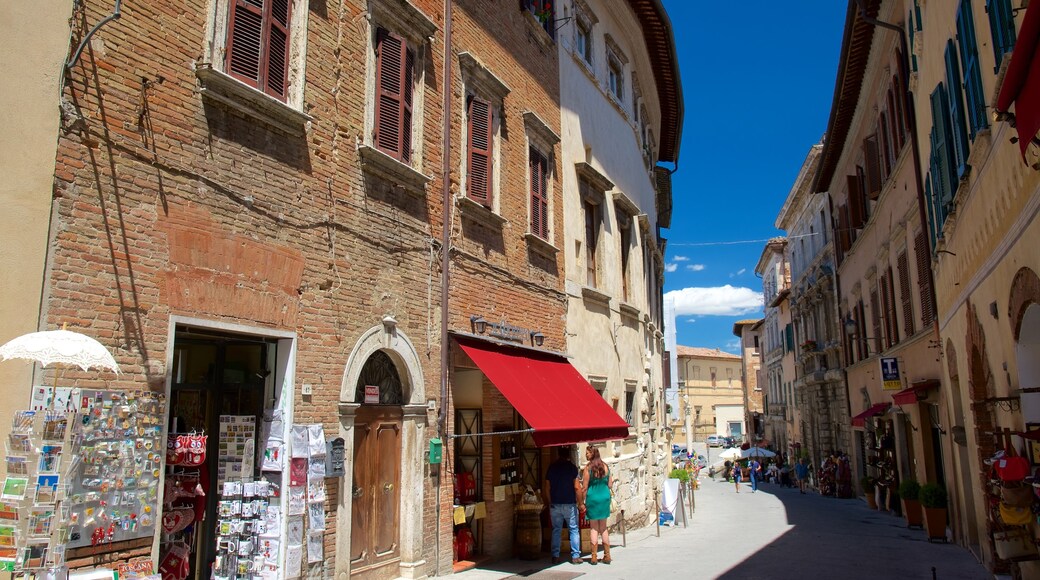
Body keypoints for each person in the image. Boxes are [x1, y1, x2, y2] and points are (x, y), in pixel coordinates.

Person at [544, 446, 581, 565]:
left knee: (556, 530)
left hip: (555, 503)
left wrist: (550, 502)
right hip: (569, 503)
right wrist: (580, 502)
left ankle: (555, 555)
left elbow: (547, 487)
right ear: (568, 455)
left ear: (558, 454)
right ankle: (575, 556)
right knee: (573, 529)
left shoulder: (552, 467)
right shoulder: (572, 468)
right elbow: (576, 487)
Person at [580, 447, 614, 565]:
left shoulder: (588, 469)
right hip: (604, 498)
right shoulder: (605, 466)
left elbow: (584, 487)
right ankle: (607, 555)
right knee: (603, 527)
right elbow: (610, 484)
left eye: (588, 453)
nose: (586, 455)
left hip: (593, 498)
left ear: (593, 454)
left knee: (594, 527)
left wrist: (582, 502)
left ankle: (594, 556)